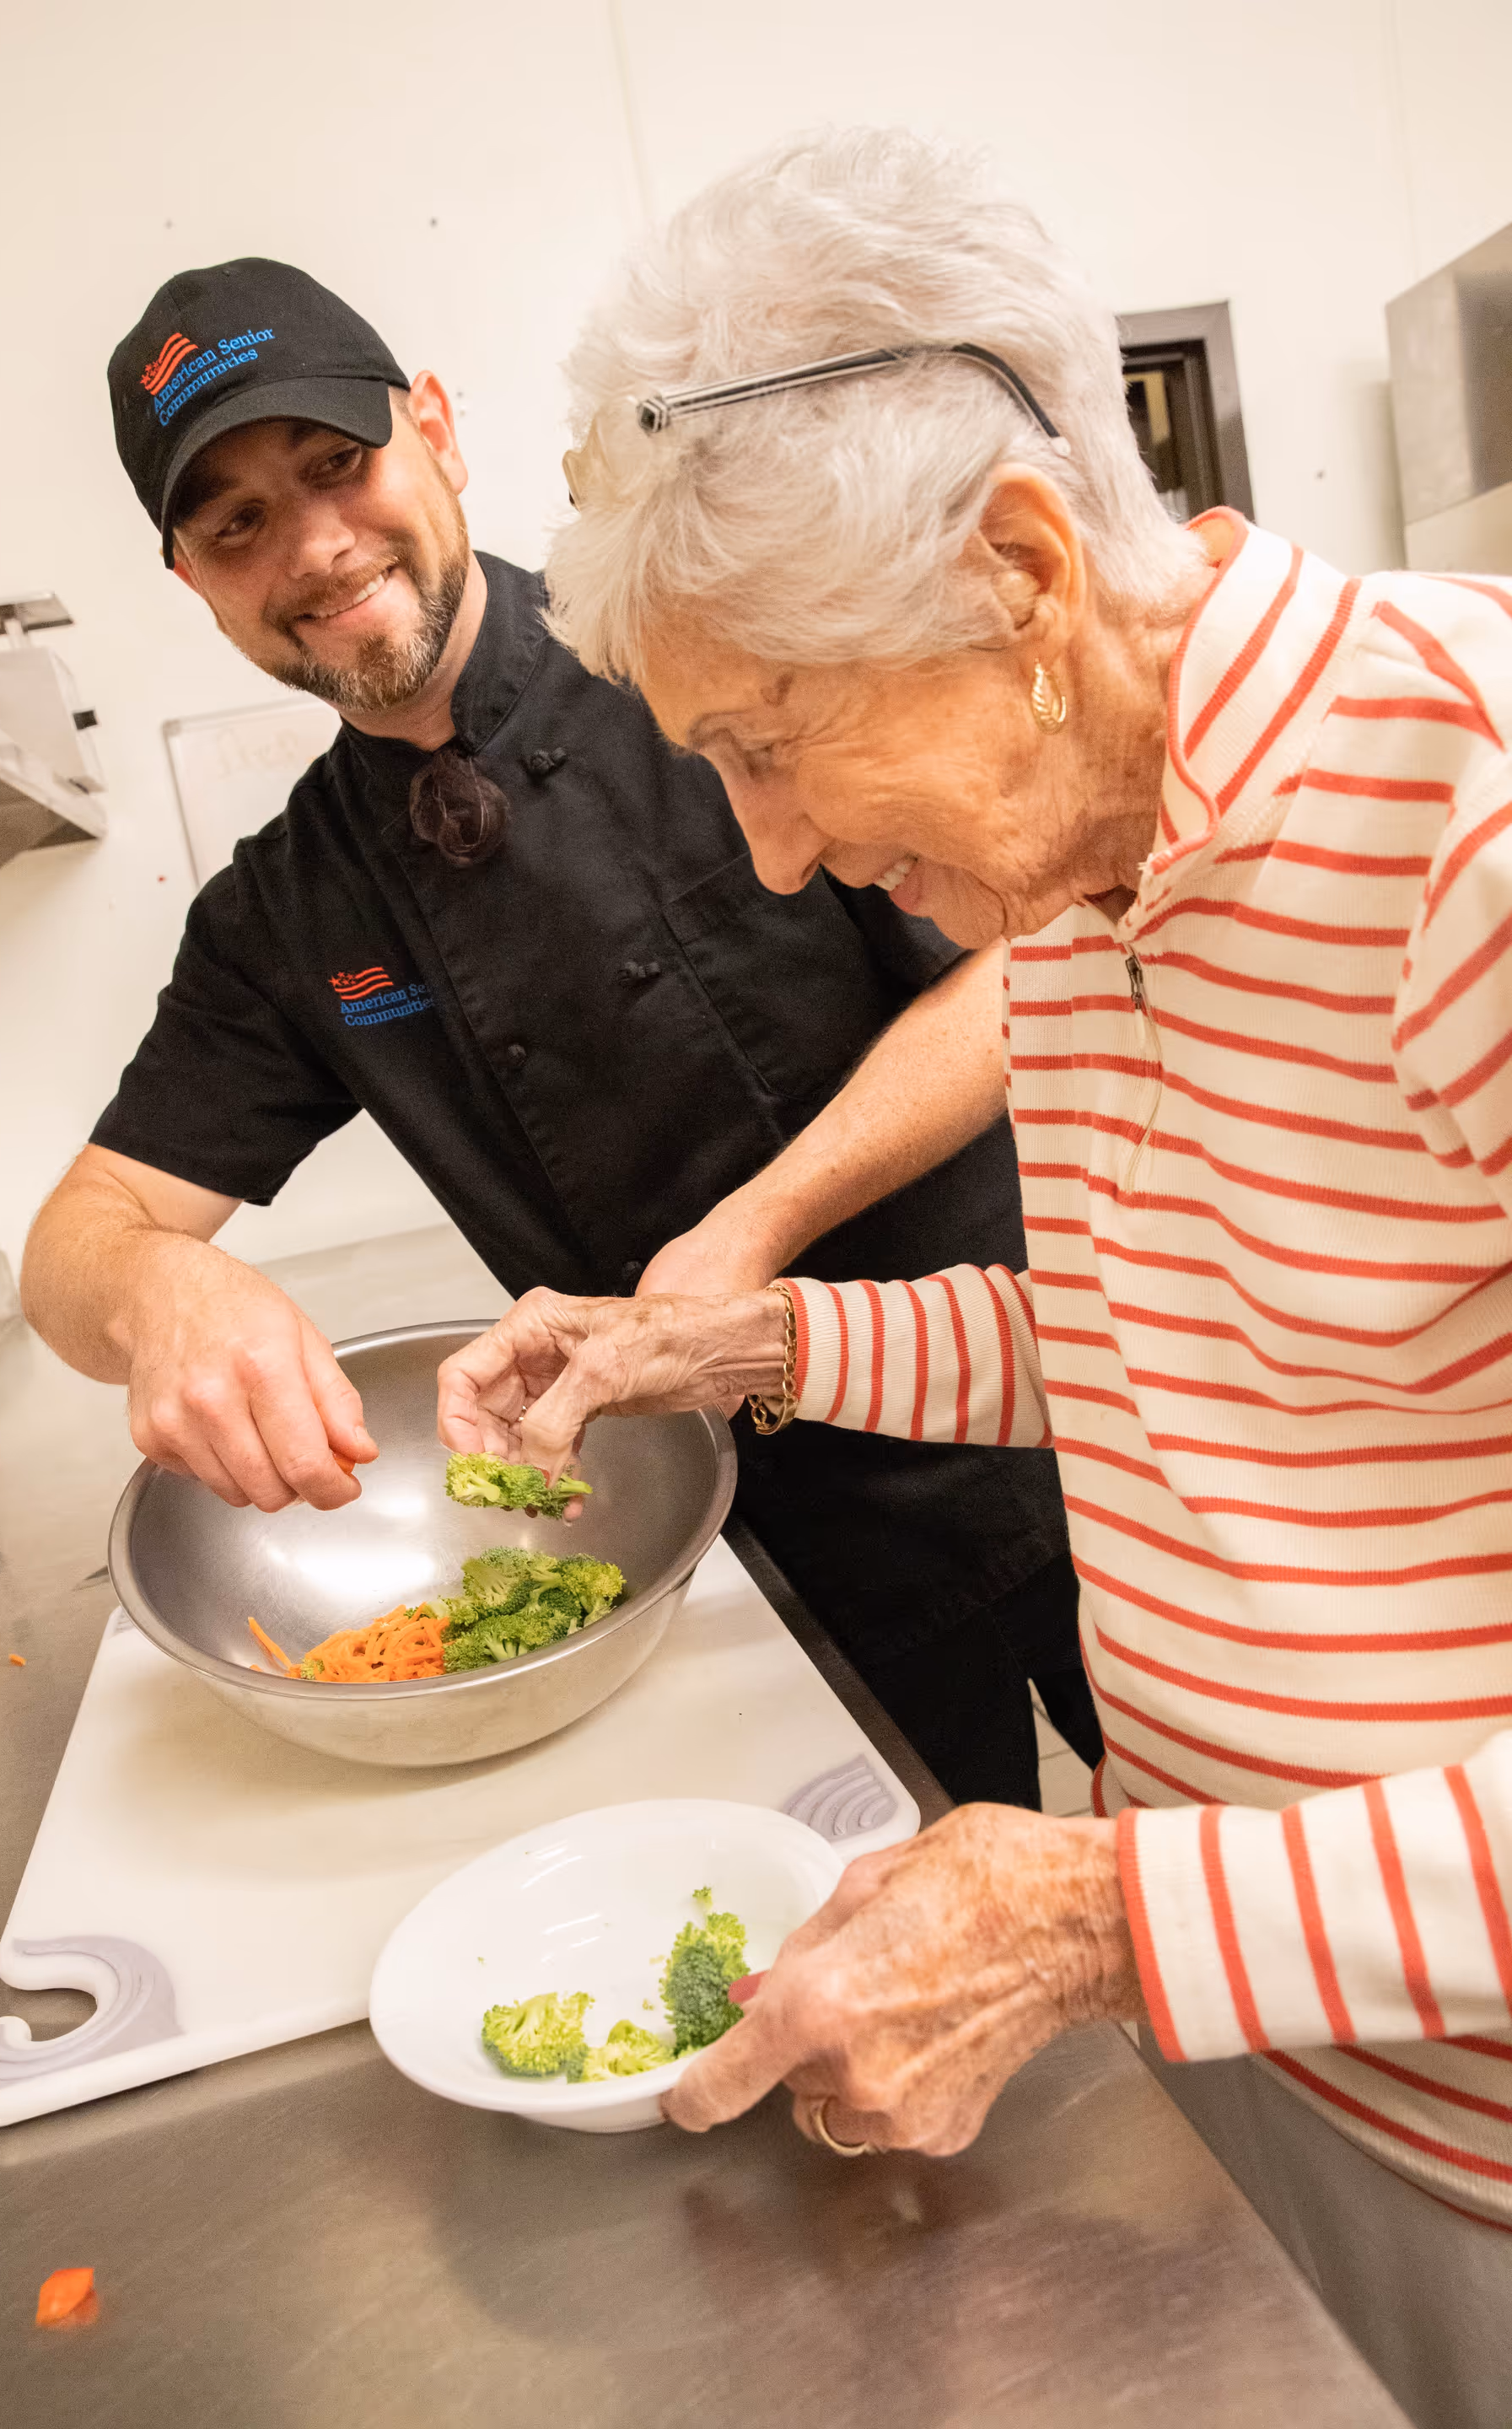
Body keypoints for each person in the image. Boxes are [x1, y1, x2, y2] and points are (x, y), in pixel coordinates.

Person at [435, 130, 1512, 2429]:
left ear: (1024, 575)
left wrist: (1097, 1918)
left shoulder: (1471, 823)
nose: (778, 849)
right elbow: (1157, 1337)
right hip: (1271, 2067)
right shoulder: (1094, 877)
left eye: (764, 744)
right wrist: (751, 1339)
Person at [19, 254, 1097, 1810]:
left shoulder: (706, 662)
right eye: (238, 521)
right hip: (775, 1569)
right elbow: (79, 1241)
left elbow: (1023, 963)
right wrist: (159, 1288)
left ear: (438, 431)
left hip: (1059, 1413)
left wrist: (756, 1224)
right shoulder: (287, 912)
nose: (316, 547)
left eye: (339, 465)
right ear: (192, 579)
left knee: (1261, 1900)